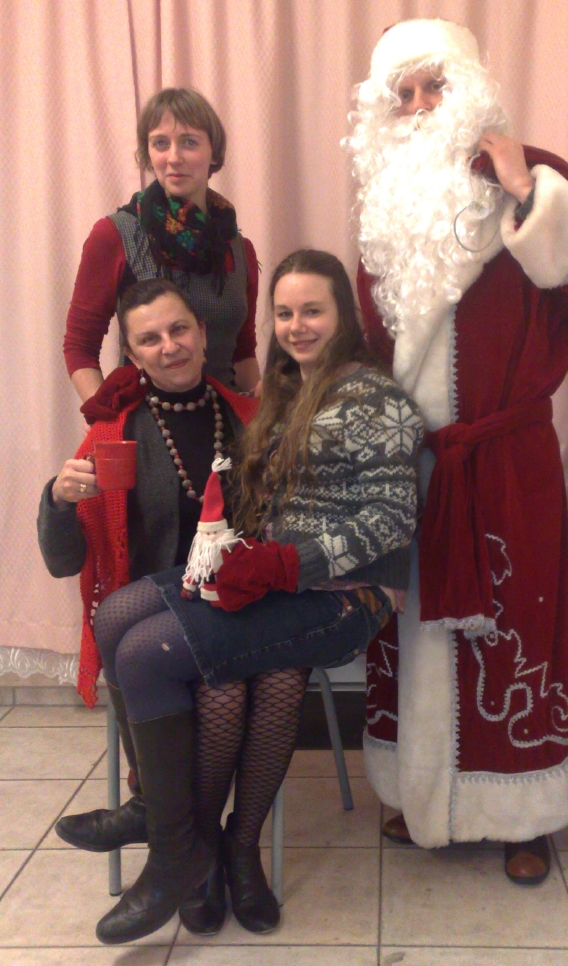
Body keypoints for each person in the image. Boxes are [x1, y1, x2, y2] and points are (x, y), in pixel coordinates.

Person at [344, 18, 568, 883]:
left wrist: (525, 189)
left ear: (468, 89)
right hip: (418, 468)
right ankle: (423, 791)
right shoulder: (385, 216)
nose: (418, 106)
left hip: (508, 464)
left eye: (433, 86)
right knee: (414, 624)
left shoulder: (535, 179)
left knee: (517, 629)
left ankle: (525, 813)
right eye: (402, 94)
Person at [54, 249, 423, 945]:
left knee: (148, 653)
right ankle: (163, 814)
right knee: (116, 614)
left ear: (343, 315)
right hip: (274, 580)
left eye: (312, 311)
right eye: (283, 312)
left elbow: (392, 522)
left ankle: (182, 851)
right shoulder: (284, 391)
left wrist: (283, 561)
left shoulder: (375, 399)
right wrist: (239, 550)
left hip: (341, 597)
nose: (296, 325)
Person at [39, 278, 285, 938]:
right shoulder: (113, 432)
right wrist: (58, 500)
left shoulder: (251, 417)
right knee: (218, 686)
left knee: (267, 681)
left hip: (247, 606)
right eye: (149, 338)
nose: (169, 346)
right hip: (158, 627)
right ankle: (196, 853)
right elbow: (64, 562)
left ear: (203, 335)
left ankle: (228, 847)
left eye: (179, 330)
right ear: (132, 354)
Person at [63, 87, 260, 402]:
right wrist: (106, 419)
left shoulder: (238, 247)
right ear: (148, 154)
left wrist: (260, 413)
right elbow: (80, 346)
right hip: (146, 421)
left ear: (214, 153)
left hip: (226, 420)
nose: (173, 157)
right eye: (160, 143)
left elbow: (243, 352)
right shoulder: (115, 235)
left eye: (189, 142)